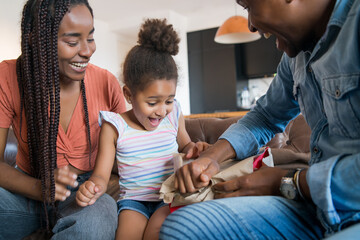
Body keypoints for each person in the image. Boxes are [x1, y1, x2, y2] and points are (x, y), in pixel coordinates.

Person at [159, 0, 360, 239]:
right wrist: (211, 158)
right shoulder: (294, 58)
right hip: (315, 206)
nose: (251, 26)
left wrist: (290, 183)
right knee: (181, 228)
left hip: (347, 207)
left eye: (248, 6)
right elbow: (265, 116)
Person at [0, 0, 126, 239]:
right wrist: (40, 188)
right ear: (36, 40)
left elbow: (132, 146)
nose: (87, 50)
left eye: (90, 38)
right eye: (72, 41)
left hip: (84, 197)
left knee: (99, 219)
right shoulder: (7, 77)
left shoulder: (105, 83)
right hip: (26, 193)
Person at [75, 18, 210, 240]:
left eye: (168, 100)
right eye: (152, 102)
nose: (161, 110)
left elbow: (185, 144)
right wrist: (92, 187)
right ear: (128, 95)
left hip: (168, 197)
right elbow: (101, 174)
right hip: (134, 203)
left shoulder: (174, 114)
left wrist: (195, 148)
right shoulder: (114, 126)